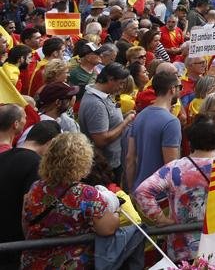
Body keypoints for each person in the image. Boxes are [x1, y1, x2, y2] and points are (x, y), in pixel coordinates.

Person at [134, 116, 215, 264]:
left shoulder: (174, 168)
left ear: (190, 140)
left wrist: (161, 218)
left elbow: (142, 192)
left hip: (182, 250)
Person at [22, 132, 120, 270]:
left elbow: (26, 224)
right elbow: (107, 229)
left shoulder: (36, 188)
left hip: (34, 261)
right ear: (83, 162)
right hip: (70, 264)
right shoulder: (87, 194)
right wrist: (116, 211)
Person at [0, 120, 61, 267]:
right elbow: (27, 208)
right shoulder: (37, 166)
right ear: (51, 143)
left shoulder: (5, 155)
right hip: (14, 246)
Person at [125, 68, 183, 191]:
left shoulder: (140, 116)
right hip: (160, 196)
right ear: (172, 89)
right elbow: (171, 167)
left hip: (139, 190)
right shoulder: (171, 122)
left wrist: (131, 190)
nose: (181, 91)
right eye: (180, 87)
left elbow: (130, 158)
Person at [78, 62, 135, 179]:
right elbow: (101, 139)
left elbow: (108, 121)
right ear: (110, 79)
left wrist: (123, 116)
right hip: (106, 166)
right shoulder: (96, 104)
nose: (122, 87)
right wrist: (126, 122)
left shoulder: (104, 94)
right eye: (121, 83)